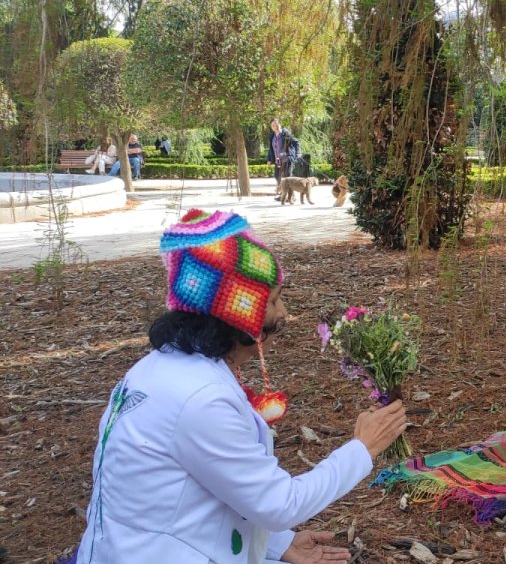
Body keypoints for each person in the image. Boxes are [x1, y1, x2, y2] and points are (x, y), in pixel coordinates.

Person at [69, 209, 410, 564]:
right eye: (274, 300)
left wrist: (276, 544)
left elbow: (208, 488)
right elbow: (280, 504)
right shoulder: (201, 400)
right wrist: (361, 449)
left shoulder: (159, 368)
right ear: (238, 313)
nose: (284, 312)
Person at [267, 118, 299, 196]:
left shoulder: (285, 133)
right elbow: (271, 148)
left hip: (287, 159)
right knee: (277, 176)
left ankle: (290, 196)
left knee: (287, 177)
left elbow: (295, 142)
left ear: (280, 125)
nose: (275, 126)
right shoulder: (272, 136)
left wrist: (297, 153)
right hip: (277, 160)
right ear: (271, 127)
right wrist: (269, 159)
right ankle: (283, 192)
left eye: (276, 124)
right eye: (273, 125)